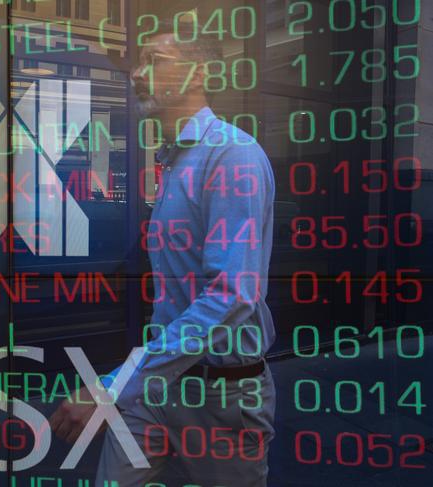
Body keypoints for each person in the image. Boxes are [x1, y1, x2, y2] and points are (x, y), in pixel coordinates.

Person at [49, 20, 277, 487]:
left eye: (155, 61)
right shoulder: (176, 159)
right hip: (155, 386)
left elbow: (231, 296)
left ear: (198, 75)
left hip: (220, 398)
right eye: (139, 60)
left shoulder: (232, 155)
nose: (136, 72)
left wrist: (110, 388)